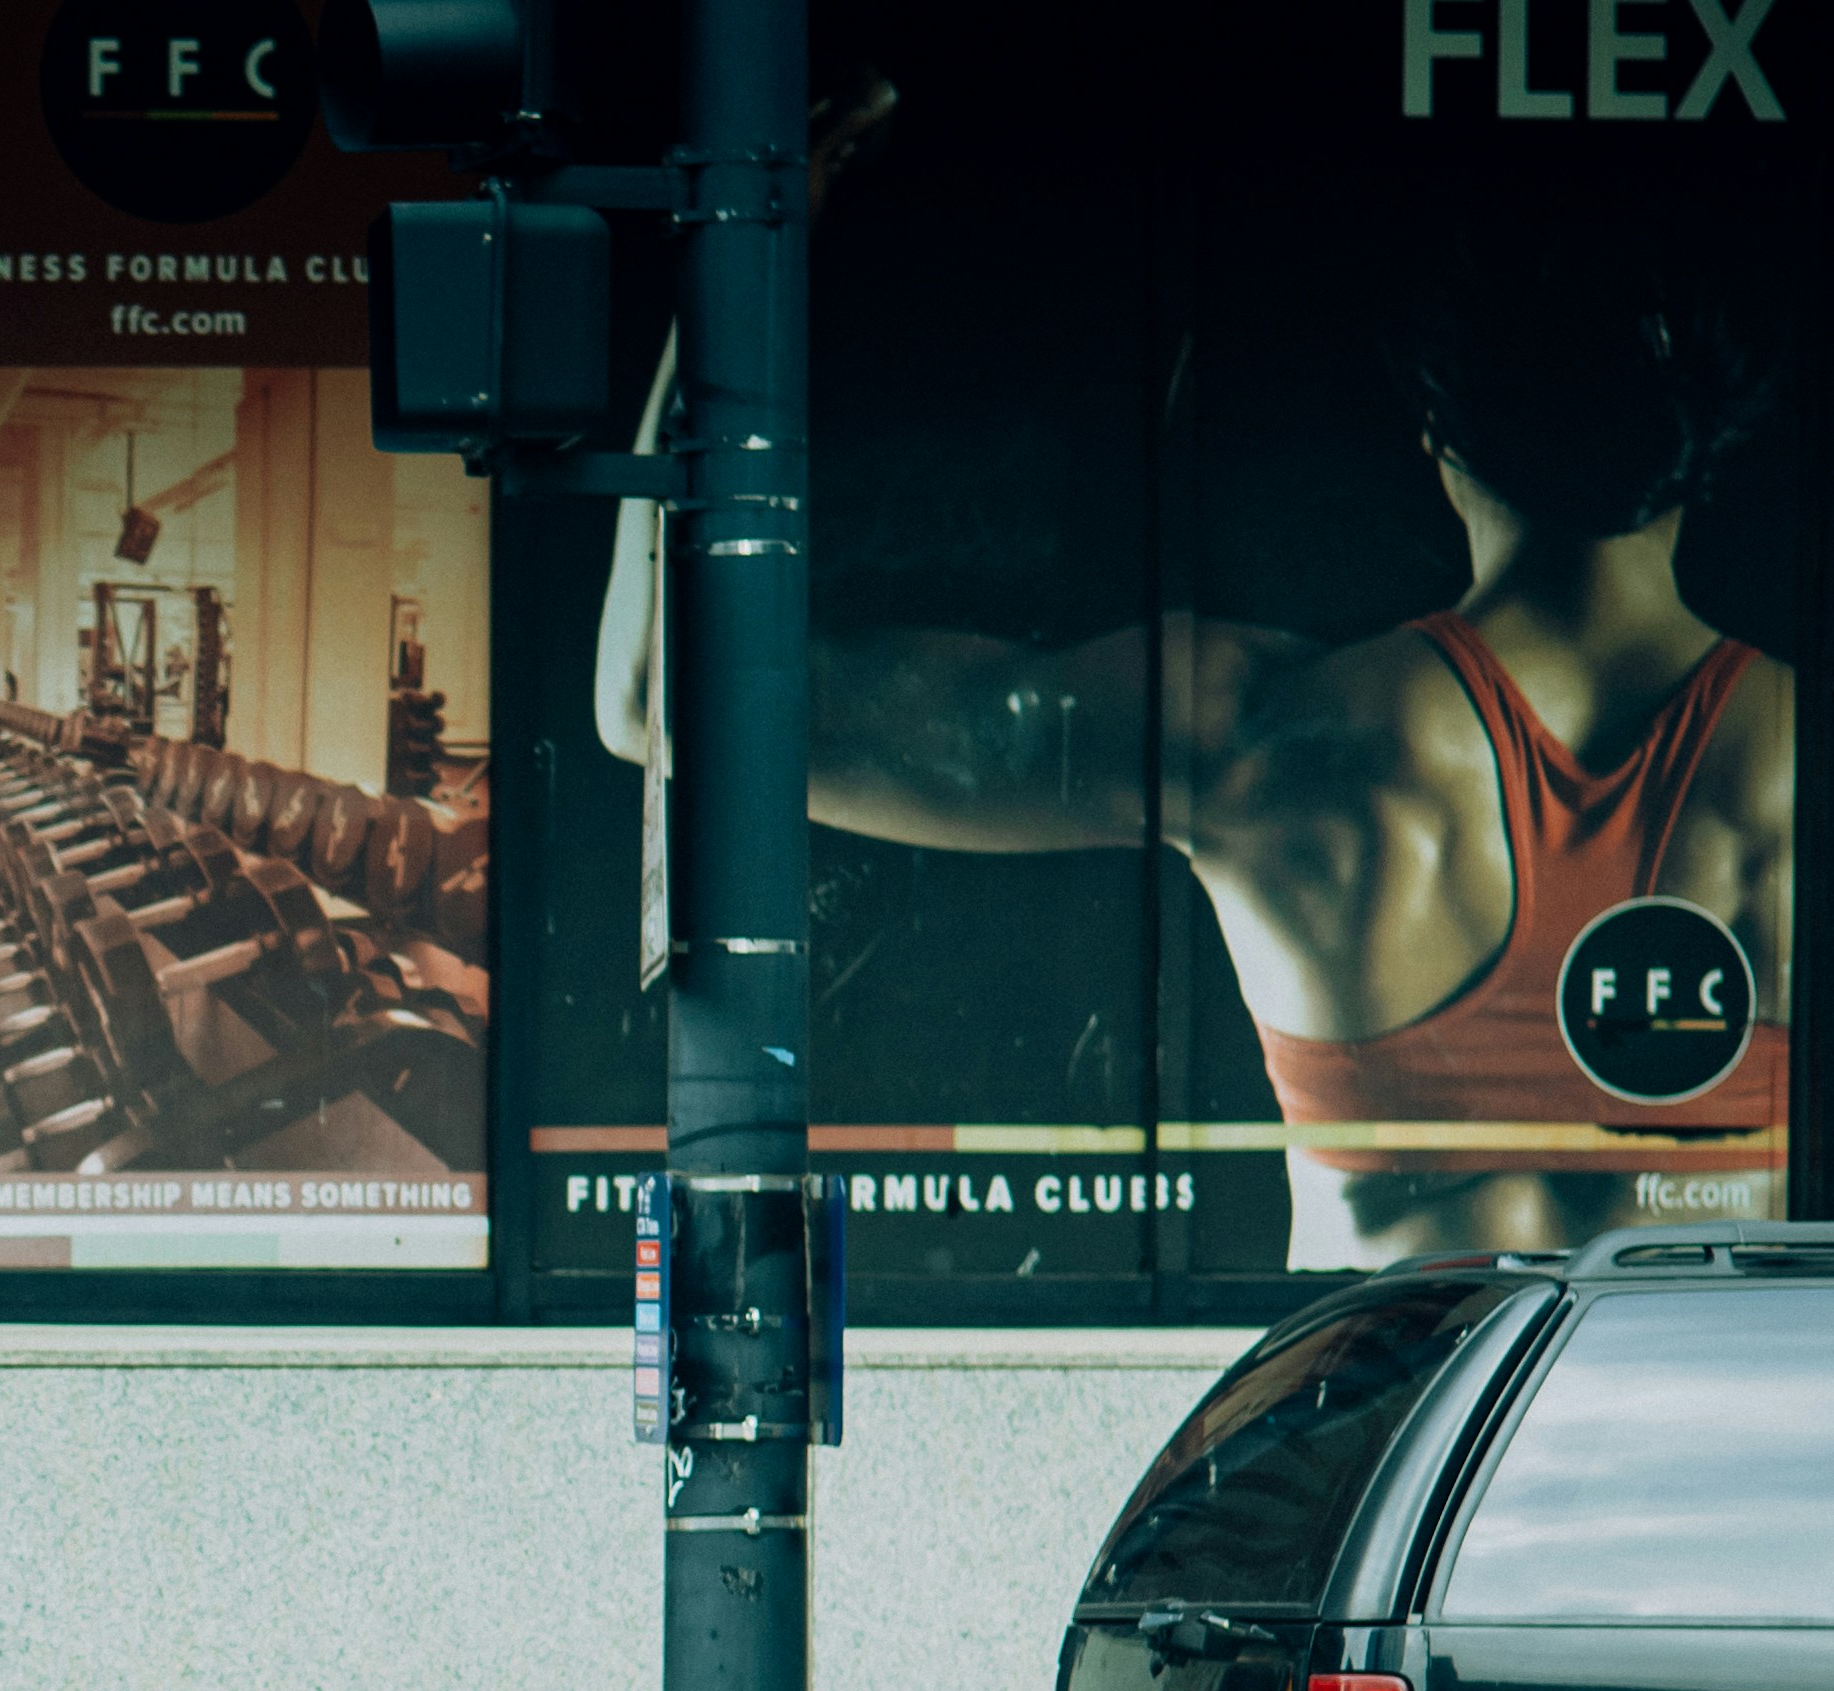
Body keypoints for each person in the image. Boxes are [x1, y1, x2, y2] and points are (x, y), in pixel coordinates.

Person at [647, 237, 1795, 1267]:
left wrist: (729, 254)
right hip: (1705, 1444)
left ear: (1437, 437)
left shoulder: (1275, 739)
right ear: (1702, 446)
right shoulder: (1800, 762)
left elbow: (661, 695)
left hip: (1403, 1439)